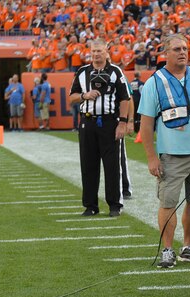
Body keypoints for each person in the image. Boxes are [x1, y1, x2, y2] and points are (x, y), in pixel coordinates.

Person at [138, 34, 190, 268]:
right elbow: (145, 125)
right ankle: (167, 250)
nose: (182, 52)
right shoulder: (154, 83)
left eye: (185, 48)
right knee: (168, 202)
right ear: (165, 52)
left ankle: (188, 245)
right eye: (176, 49)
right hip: (172, 155)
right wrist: (151, 157)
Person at [69, 38, 131, 218]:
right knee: (88, 165)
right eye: (93, 51)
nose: (96, 54)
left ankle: (114, 205)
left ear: (106, 51)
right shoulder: (82, 72)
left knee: (112, 165)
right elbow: (72, 97)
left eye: (99, 51)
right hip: (87, 122)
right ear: (90, 52)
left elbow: (125, 98)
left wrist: (122, 122)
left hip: (109, 122)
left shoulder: (115, 71)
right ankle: (90, 205)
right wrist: (84, 95)